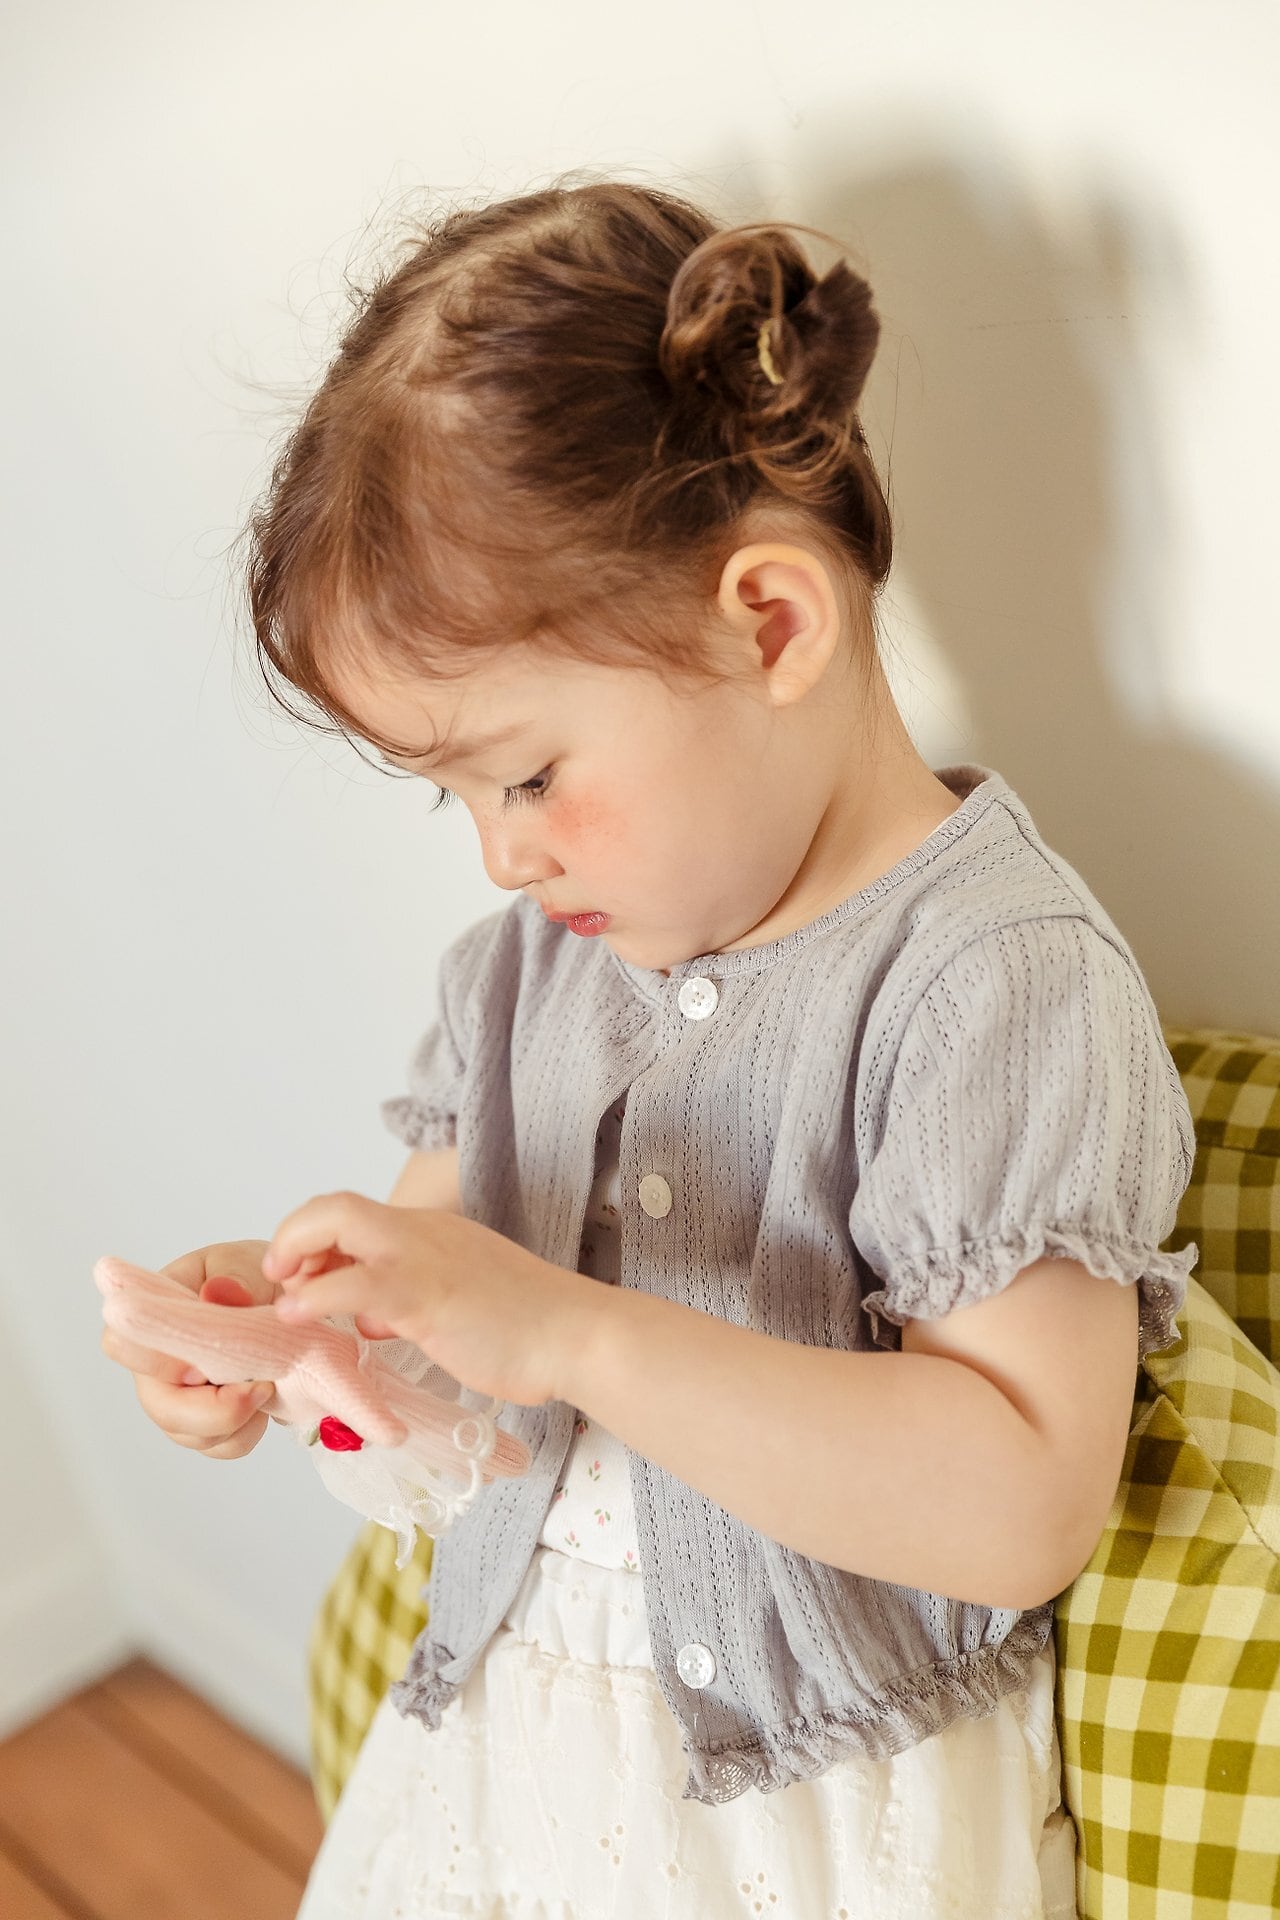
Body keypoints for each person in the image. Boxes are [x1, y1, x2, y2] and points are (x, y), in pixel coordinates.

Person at [102, 174, 1200, 1918]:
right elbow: (440, 1336)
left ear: (769, 624)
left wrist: (573, 1331)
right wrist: (297, 1331)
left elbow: (1017, 1509)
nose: (503, 856)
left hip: (805, 1822)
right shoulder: (524, 974)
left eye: (529, 775)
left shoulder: (993, 986)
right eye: (459, 797)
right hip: (499, 1762)